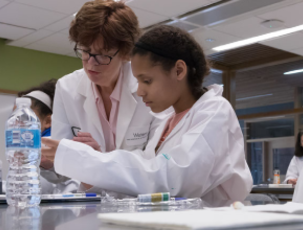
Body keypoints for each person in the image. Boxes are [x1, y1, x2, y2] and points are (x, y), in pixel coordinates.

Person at [41, 25, 253, 205]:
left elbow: (171, 180)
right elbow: (141, 171)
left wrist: (87, 160)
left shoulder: (215, 111)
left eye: (147, 81)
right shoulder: (169, 122)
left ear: (179, 71)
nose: (140, 91)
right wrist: (93, 165)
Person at [40, 0, 162, 192]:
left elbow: (158, 163)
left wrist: (98, 160)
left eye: (102, 55)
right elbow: (61, 170)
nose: (90, 64)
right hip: (92, 204)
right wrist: (46, 161)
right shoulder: (67, 88)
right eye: (85, 52)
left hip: (140, 202)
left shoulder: (148, 87)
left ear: (126, 53)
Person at [17, 79, 80, 193]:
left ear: (48, 121)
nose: (18, 122)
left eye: (25, 116)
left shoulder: (49, 145)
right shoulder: (29, 147)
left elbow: (41, 187)